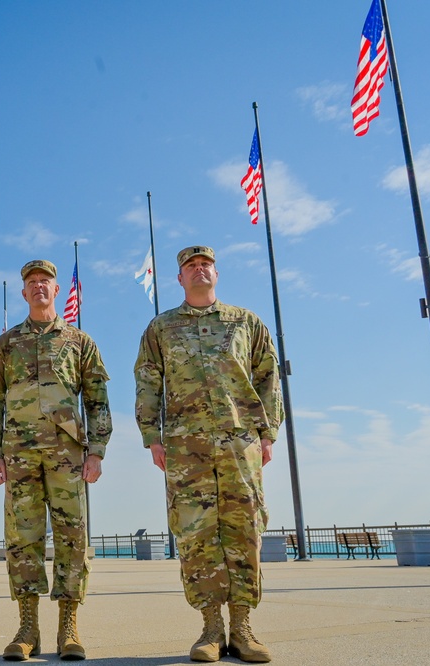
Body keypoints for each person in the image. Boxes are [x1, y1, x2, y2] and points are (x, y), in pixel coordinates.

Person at [134, 246, 283, 663]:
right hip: (186, 445)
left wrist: (268, 434)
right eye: (189, 267)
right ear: (179, 279)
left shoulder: (246, 322)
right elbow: (147, 383)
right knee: (195, 532)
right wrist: (153, 437)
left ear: (216, 273)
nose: (198, 270)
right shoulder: (161, 328)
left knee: (245, 528)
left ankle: (242, 626)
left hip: (240, 441)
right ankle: (210, 628)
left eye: (204, 265)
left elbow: (268, 377)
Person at [0, 259, 113, 662]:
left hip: (68, 455)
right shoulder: (5, 345)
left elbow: (97, 401)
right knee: (22, 540)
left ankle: (68, 628)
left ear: (57, 291)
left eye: (45, 282)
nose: (39, 287)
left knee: (73, 537)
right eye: (32, 282)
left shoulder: (79, 342)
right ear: (23, 293)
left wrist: (97, 450)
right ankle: (27, 629)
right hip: (18, 456)